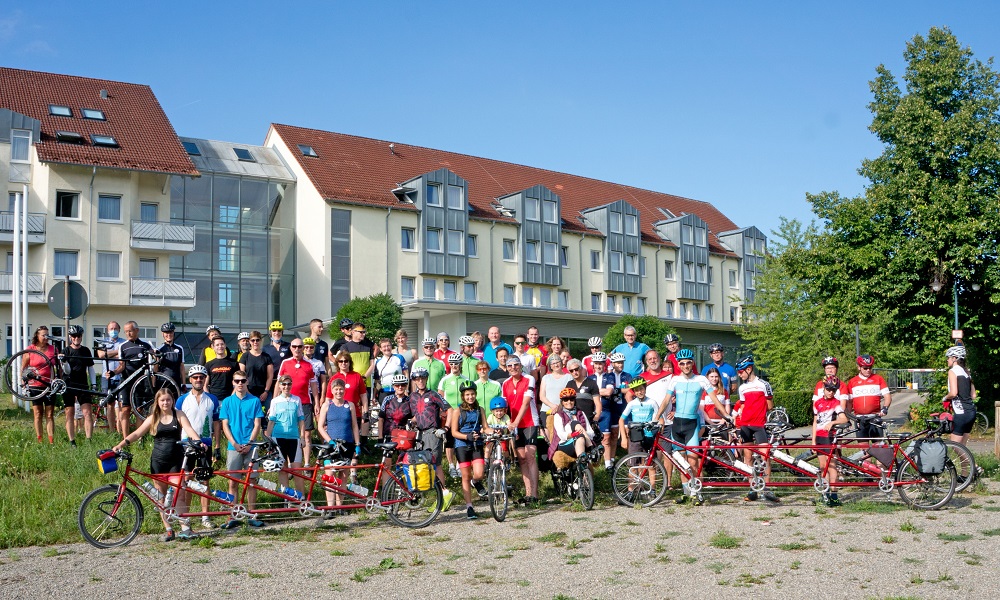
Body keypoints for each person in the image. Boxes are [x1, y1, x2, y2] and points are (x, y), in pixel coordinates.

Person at [114, 389, 203, 540]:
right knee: (160, 498)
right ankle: (168, 529)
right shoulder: (153, 417)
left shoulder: (178, 414)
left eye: (168, 400)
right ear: (158, 402)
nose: (165, 403)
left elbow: (189, 430)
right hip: (158, 462)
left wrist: (198, 441)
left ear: (172, 401)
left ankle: (185, 528)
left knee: (179, 494)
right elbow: (137, 433)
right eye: (162, 400)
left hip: (176, 461)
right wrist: (121, 445)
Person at [658, 349, 727, 503]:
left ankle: (696, 492)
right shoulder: (675, 380)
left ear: (692, 363)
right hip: (677, 425)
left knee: (693, 460)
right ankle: (686, 492)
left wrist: (727, 415)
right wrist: (657, 417)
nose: (686, 366)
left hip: (691, 425)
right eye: (682, 363)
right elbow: (666, 400)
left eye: (688, 363)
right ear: (679, 365)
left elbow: (715, 400)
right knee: (681, 461)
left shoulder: (701, 379)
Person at [175, 364, 221, 530]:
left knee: (204, 482)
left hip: (206, 445)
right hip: (187, 445)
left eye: (201, 377)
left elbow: (216, 423)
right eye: (195, 377)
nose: (198, 380)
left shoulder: (212, 399)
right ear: (190, 380)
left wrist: (217, 445)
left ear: (205, 379)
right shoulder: (182, 400)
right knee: (186, 481)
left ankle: (205, 517)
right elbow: (179, 424)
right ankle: (186, 517)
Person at [219, 371, 266, 529]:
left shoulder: (254, 401)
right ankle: (233, 514)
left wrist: (249, 443)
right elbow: (225, 425)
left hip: (251, 446)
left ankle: (252, 513)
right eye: (237, 381)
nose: (240, 383)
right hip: (233, 446)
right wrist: (234, 443)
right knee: (233, 482)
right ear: (233, 382)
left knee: (252, 481)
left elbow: (257, 424)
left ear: (247, 382)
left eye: (243, 380)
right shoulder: (227, 402)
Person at [732, 355, 778, 503]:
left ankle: (767, 488)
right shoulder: (742, 388)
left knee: (765, 457)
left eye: (740, 372)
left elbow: (770, 405)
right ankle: (752, 489)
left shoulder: (764, 384)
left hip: (759, 425)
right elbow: (743, 406)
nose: (739, 374)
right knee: (748, 458)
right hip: (746, 425)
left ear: (749, 369)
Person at [317, 378, 361, 510]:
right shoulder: (327, 405)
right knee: (329, 475)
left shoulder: (350, 405)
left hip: (347, 444)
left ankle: (340, 506)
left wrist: (357, 444)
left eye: (341, 389)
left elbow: (354, 426)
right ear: (332, 390)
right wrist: (329, 440)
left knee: (343, 475)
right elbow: (320, 426)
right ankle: (330, 507)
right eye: (336, 389)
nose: (339, 391)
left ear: (344, 390)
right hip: (331, 446)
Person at [502, 356, 540, 504]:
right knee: (522, 459)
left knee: (530, 456)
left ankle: (535, 495)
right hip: (514, 424)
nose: (513, 368)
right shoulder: (505, 383)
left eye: (516, 365)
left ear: (520, 365)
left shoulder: (529, 378)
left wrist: (516, 422)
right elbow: (505, 407)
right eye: (509, 366)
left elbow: (526, 402)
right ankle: (528, 493)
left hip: (529, 421)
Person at [451, 380, 488, 519]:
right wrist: (467, 436)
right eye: (467, 395)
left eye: (472, 394)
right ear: (463, 396)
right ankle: (469, 507)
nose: (470, 397)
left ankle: (476, 482)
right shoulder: (457, 411)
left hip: (476, 444)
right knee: (465, 476)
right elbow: (454, 432)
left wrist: (496, 431)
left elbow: (486, 427)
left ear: (475, 394)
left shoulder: (480, 410)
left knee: (479, 474)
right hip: (462, 445)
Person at [277, 338, 317, 465]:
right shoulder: (285, 363)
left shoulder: (309, 364)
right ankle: (290, 464)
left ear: (304, 348)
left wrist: (317, 403)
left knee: (306, 434)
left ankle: (306, 464)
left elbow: (314, 385)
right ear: (290, 348)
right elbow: (279, 383)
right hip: (287, 402)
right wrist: (274, 400)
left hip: (305, 402)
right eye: (294, 346)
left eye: (300, 347)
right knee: (289, 433)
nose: (297, 349)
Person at [266, 374, 306, 499]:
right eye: (284, 384)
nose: (286, 386)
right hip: (278, 438)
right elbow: (271, 421)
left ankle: (301, 498)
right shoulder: (275, 401)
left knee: (297, 470)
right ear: (279, 385)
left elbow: (301, 420)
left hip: (294, 437)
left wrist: (303, 436)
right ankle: (286, 498)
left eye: (289, 384)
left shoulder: (297, 400)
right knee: (282, 469)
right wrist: (268, 440)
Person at [113, 321, 154, 438]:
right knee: (125, 410)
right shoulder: (123, 346)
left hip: (140, 382)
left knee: (139, 411)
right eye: (126, 331)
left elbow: (153, 360)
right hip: (127, 381)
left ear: (137, 330)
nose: (128, 333)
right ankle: (126, 439)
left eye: (130, 331)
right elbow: (121, 366)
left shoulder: (145, 346)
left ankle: (139, 438)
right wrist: (113, 372)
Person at [814, 375, 848, 506]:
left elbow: (844, 418)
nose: (831, 392)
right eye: (828, 389)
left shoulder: (835, 403)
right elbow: (815, 422)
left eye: (833, 390)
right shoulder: (817, 403)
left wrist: (833, 422)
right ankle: (826, 493)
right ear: (823, 388)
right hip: (819, 436)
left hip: (829, 437)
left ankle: (834, 494)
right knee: (823, 467)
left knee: (831, 465)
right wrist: (813, 440)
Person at [61, 325, 95, 443]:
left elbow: (90, 368)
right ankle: (72, 441)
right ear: (70, 337)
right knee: (69, 413)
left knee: (87, 412)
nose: (76, 338)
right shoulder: (66, 350)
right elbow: (67, 371)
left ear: (81, 336)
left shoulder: (86, 350)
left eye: (79, 336)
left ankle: (89, 440)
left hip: (83, 384)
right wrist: (64, 362)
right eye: (74, 336)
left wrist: (94, 384)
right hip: (69, 384)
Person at [438, 353, 469, 478]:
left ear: (460, 364)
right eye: (451, 364)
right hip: (449, 414)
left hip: (462, 413)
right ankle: (451, 465)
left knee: (461, 440)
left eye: (456, 363)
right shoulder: (445, 379)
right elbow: (440, 397)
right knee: (450, 441)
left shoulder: (466, 379)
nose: (454, 366)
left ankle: (459, 465)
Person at [24, 326, 57, 443]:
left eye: (47, 335)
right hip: (35, 385)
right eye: (43, 335)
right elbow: (24, 368)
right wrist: (23, 381)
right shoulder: (30, 349)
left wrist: (60, 380)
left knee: (49, 414)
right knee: (38, 414)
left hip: (49, 385)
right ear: (37, 336)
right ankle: (40, 439)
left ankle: (51, 440)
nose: (45, 337)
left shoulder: (53, 349)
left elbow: (58, 367)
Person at [845, 354, 891, 438]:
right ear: (859, 367)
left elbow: (887, 396)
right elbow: (849, 402)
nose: (868, 370)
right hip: (859, 419)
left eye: (870, 368)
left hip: (875, 417)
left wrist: (885, 408)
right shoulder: (852, 382)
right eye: (865, 368)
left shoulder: (878, 379)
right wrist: (848, 418)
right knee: (863, 447)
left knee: (878, 446)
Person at [549, 388, 595, 468]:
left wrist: (581, 433)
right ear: (562, 402)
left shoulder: (581, 413)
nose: (569, 402)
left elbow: (591, 433)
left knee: (579, 435)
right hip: (565, 444)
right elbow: (561, 435)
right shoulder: (559, 415)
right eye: (565, 400)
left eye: (571, 399)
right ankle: (592, 449)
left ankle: (584, 471)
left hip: (582, 441)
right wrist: (573, 434)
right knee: (575, 423)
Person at [944, 345, 977, 446]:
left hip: (961, 413)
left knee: (955, 446)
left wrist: (945, 398)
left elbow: (953, 393)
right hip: (971, 412)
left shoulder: (952, 371)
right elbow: (974, 395)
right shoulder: (967, 372)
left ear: (954, 358)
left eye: (948, 358)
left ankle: (973, 463)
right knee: (963, 448)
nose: (947, 360)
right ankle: (969, 463)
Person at [603, 353, 632, 466]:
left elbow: (630, 389)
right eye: (618, 363)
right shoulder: (608, 376)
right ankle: (612, 459)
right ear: (613, 364)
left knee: (627, 433)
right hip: (613, 408)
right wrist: (620, 390)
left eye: (622, 362)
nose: (621, 364)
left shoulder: (628, 376)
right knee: (614, 435)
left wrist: (617, 390)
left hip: (624, 407)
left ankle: (631, 458)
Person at [95, 321, 124, 435]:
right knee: (110, 404)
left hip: (121, 376)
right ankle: (112, 430)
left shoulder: (124, 342)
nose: (113, 330)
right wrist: (118, 352)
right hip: (106, 377)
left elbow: (124, 355)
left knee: (121, 404)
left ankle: (120, 430)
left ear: (119, 329)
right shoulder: (103, 342)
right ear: (107, 330)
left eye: (115, 328)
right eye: (111, 329)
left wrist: (109, 353)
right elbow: (101, 355)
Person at [618, 378, 660, 457]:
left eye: (641, 389)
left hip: (649, 435)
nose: (639, 392)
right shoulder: (632, 404)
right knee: (634, 466)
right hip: (635, 436)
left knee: (650, 465)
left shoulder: (652, 402)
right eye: (636, 390)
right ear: (634, 392)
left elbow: (660, 419)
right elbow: (621, 420)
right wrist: (623, 438)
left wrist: (659, 433)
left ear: (645, 389)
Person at [240, 331, 274, 411]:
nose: (255, 342)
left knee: (266, 417)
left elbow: (270, 376)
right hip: (248, 391)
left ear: (261, 341)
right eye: (253, 340)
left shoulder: (266, 357)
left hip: (264, 393)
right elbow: (242, 375)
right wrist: (247, 391)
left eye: (257, 340)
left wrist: (266, 391)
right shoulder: (245, 356)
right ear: (249, 341)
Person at [539, 354, 572, 433]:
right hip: (547, 410)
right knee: (547, 438)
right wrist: (552, 406)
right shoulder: (546, 377)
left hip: (563, 410)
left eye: (558, 362)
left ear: (561, 363)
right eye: (553, 363)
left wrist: (559, 407)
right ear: (550, 366)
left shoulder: (569, 377)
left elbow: (570, 395)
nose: (556, 365)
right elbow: (542, 396)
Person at [565, 358, 601, 428]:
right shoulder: (569, 384)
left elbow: (598, 403)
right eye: (571, 371)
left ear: (581, 368)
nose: (574, 372)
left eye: (576, 369)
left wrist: (596, 419)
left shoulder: (591, 383)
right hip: (574, 420)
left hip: (589, 420)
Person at [262, 321, 291, 399]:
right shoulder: (265, 348)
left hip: (285, 381)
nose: (277, 332)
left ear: (282, 332)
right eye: (274, 330)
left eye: (279, 330)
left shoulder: (289, 346)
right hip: (270, 382)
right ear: (270, 332)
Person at [156, 323, 185, 392]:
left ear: (173, 333)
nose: (169, 335)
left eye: (171, 332)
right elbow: (156, 368)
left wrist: (184, 383)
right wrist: (153, 384)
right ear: (163, 334)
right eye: (166, 332)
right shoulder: (159, 349)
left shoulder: (180, 348)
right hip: (163, 381)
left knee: (175, 401)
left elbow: (182, 367)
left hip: (176, 381)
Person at [303, 337, 328, 408]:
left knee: (318, 414)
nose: (308, 349)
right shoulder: (299, 362)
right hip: (303, 393)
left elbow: (323, 381)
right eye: (306, 347)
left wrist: (323, 396)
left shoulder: (319, 363)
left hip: (316, 392)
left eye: (311, 347)